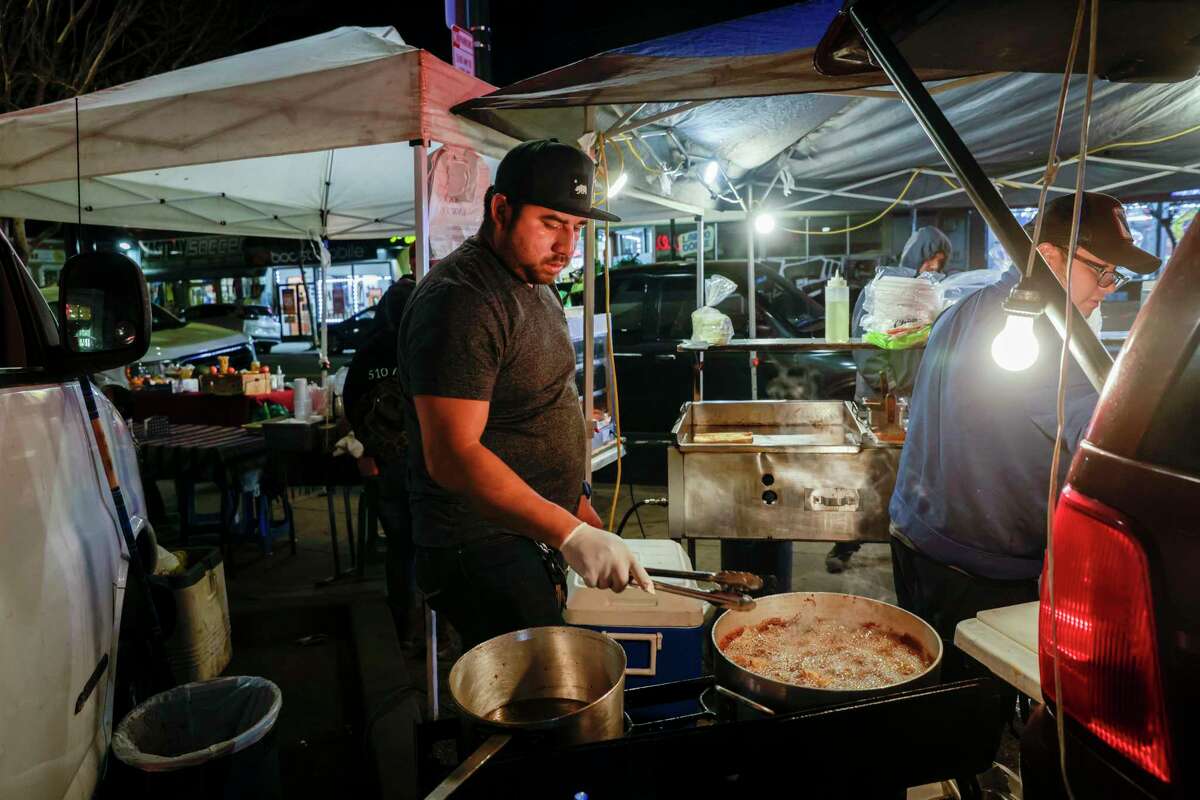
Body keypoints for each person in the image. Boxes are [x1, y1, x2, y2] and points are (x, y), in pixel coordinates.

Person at [889, 192, 1159, 675]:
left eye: (1116, 275)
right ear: (1049, 254)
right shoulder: (1048, 337)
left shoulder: (969, 306)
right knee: (966, 709)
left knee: (923, 684)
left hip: (917, 536)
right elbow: (1116, 440)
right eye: (1102, 271)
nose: (1109, 288)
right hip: (978, 568)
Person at [396, 139, 652, 651]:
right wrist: (569, 533)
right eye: (552, 223)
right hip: (478, 545)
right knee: (538, 701)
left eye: (576, 229)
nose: (567, 247)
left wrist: (575, 501)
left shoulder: (536, 282)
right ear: (500, 209)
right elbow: (452, 456)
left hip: (528, 532)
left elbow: (542, 398)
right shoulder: (463, 300)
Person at [826, 226, 952, 574]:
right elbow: (864, 341)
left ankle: (907, 542)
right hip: (879, 394)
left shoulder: (934, 294)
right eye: (930, 258)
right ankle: (845, 542)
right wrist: (887, 383)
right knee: (867, 472)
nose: (933, 266)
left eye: (940, 262)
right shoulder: (884, 288)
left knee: (911, 474)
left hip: (916, 396)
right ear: (915, 256)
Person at [342, 276, 418, 647]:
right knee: (428, 547)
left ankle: (403, 628)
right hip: (421, 464)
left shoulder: (367, 351)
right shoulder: (418, 346)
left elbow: (351, 403)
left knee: (400, 548)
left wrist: (368, 450)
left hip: (385, 464)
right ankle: (429, 635)